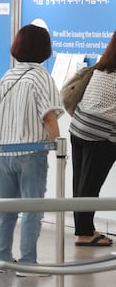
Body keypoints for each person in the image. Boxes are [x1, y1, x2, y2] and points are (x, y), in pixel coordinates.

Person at [0, 24, 62, 275]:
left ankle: (2, 259)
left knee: (7, 210)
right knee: (32, 210)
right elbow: (49, 116)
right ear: (44, 49)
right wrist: (59, 146)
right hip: (31, 152)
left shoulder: (8, 75)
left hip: (3, 152)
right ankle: (27, 262)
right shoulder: (42, 77)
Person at [69, 30, 116, 247]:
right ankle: (85, 234)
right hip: (99, 136)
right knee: (89, 186)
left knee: (81, 183)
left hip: (79, 128)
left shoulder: (102, 67)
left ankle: (85, 229)